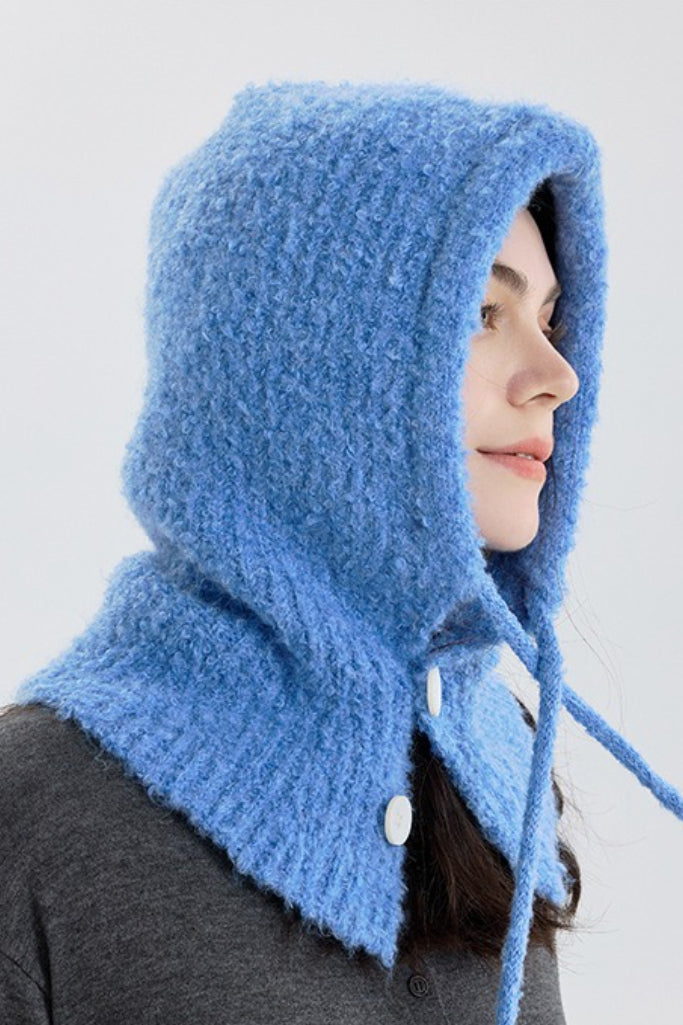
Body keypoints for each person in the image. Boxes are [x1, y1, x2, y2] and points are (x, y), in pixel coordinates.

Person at [1, 80, 682, 1025]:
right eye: (481, 314)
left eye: (551, 317)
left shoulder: (495, 750)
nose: (557, 375)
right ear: (310, 362)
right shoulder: (34, 803)